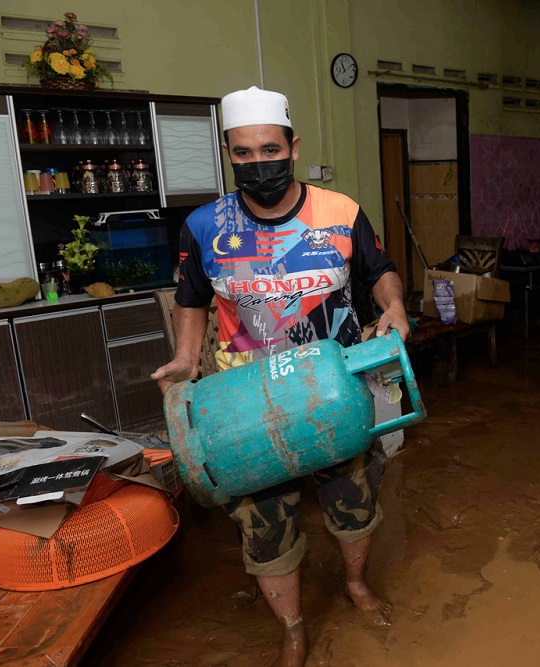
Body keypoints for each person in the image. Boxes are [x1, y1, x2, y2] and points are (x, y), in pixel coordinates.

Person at [151, 86, 409, 667]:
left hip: (336, 392)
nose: (257, 162)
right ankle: (292, 627)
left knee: (354, 496)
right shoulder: (204, 226)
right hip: (245, 402)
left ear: (293, 147)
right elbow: (189, 298)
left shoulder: (339, 212)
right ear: (228, 153)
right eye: (242, 153)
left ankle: (356, 584)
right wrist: (187, 360)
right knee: (263, 519)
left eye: (269, 148)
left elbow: (381, 271)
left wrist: (392, 308)